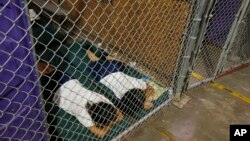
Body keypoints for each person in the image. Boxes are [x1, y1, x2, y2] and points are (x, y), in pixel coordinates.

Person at [37, 61, 123, 138]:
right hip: (55, 92)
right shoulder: (84, 115)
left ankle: (36, 60)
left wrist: (114, 118)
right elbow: (101, 133)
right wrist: (110, 124)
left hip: (68, 81)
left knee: (46, 67)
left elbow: (119, 114)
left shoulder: (102, 99)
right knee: (38, 73)